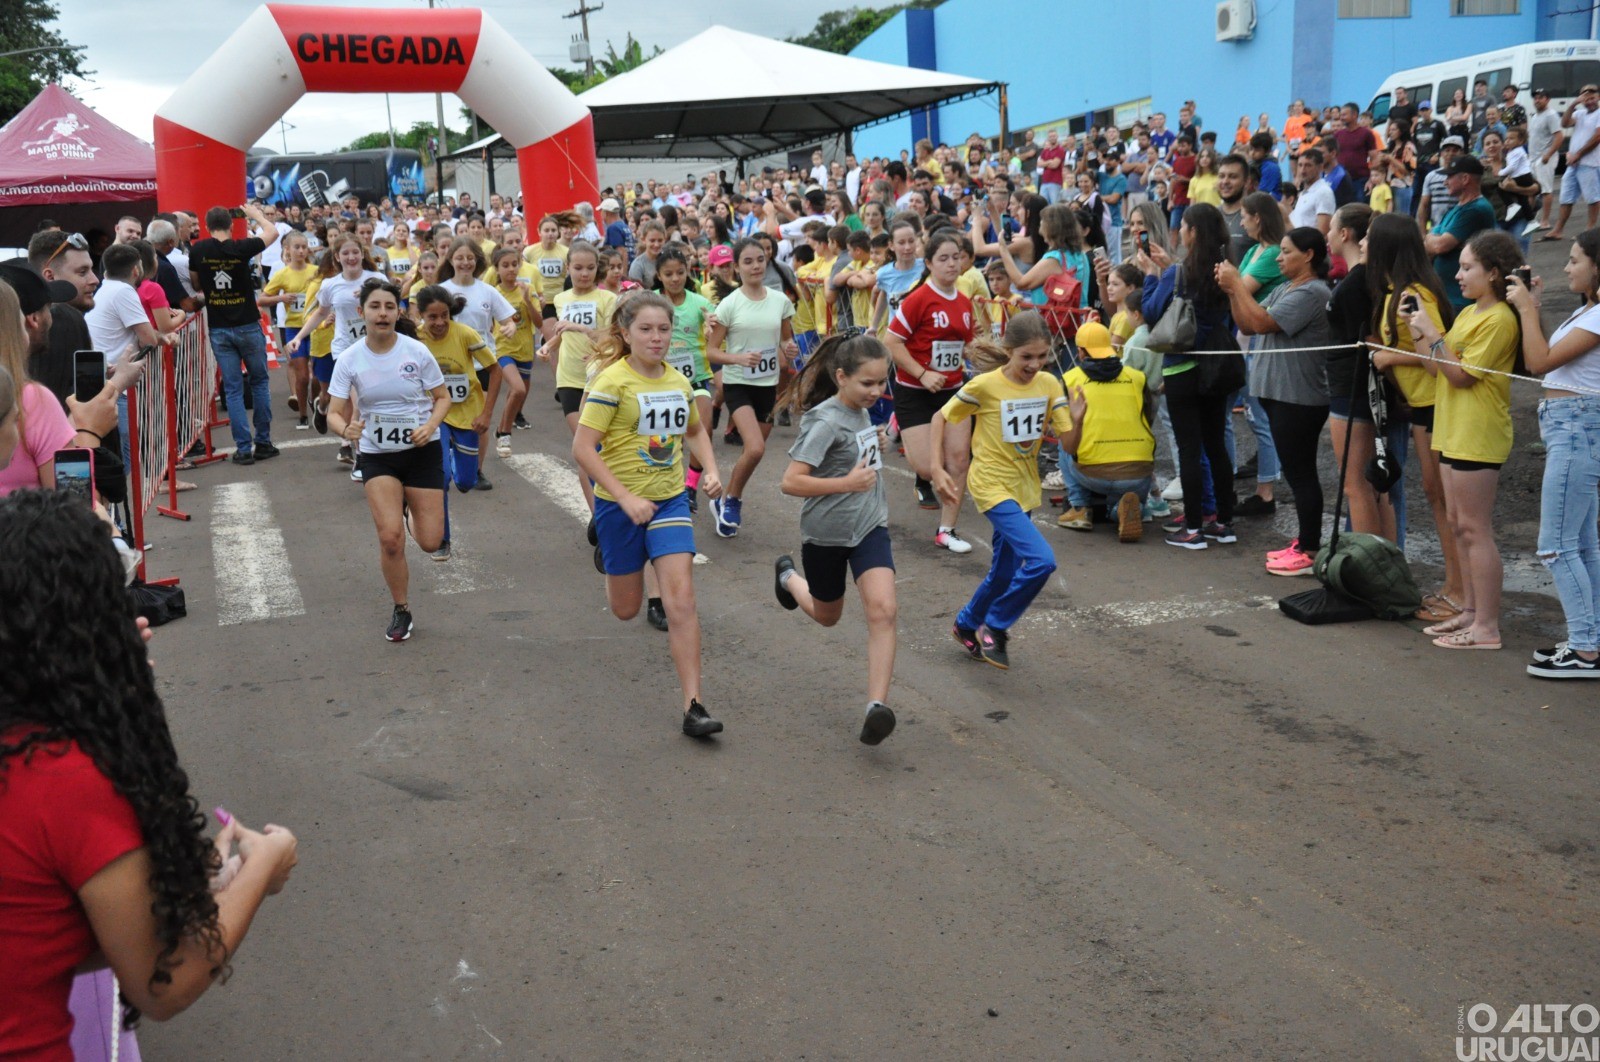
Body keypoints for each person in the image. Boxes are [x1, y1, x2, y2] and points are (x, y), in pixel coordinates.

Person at [0, 489, 299, 1059]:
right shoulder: (64, 778)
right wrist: (262, 865)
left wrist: (197, 887)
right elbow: (162, 985)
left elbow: (36, 940)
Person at [573, 292, 726, 738]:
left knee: (681, 601)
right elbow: (582, 448)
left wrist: (711, 469)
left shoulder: (678, 381)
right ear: (626, 332)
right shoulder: (610, 383)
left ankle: (694, 705)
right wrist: (622, 499)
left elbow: (694, 431)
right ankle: (612, 550)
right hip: (619, 506)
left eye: (663, 329)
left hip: (670, 500)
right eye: (646, 329)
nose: (656, 338)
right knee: (625, 609)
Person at [932, 311, 1077, 669]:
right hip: (991, 485)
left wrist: (1079, 416)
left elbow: (1070, 447)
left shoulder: (1049, 385)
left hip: (1024, 487)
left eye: (1042, 356)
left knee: (1005, 571)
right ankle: (994, 626)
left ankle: (967, 624)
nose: (1035, 364)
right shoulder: (985, 386)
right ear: (1009, 350)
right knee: (1042, 560)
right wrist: (936, 468)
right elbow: (942, 416)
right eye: (1026, 356)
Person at [774, 334, 899, 743]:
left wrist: (875, 442)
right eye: (868, 383)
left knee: (883, 610)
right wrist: (847, 481)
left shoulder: (863, 410)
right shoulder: (825, 421)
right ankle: (789, 579)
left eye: (882, 382)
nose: (877, 391)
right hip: (826, 534)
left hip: (868, 525)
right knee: (829, 616)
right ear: (841, 377)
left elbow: (860, 460)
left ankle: (875, 707)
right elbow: (791, 483)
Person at [1404, 230, 1523, 651]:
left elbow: (1461, 374)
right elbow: (1436, 370)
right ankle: (1471, 613)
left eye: (1468, 267)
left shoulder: (1500, 319)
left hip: (1478, 433)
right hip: (1454, 429)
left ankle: (1487, 626)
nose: (1458, 275)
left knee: (1475, 529)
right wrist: (1419, 330)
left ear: (1493, 273)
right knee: (1458, 525)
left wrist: (1433, 334)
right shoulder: (1471, 313)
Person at [325, 279, 450, 641]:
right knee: (391, 538)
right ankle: (401, 609)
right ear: (362, 312)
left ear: (399, 312)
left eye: (389, 307)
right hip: (377, 454)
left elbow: (442, 397)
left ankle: (410, 505)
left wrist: (430, 426)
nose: (382, 313)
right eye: (375, 307)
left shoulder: (416, 351)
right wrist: (344, 429)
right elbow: (333, 411)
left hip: (422, 451)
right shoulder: (349, 358)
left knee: (430, 542)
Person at [1506, 228, 1600, 678]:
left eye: (1575, 259)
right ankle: (1590, 641)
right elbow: (1542, 356)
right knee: (1581, 543)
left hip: (1577, 427)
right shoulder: (1589, 312)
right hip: (1571, 426)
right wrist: (1534, 309)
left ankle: (1585, 650)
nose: (1566, 267)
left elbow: (1539, 363)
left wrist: (1525, 307)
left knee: (1557, 547)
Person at [1367, 212, 1464, 623]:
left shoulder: (1414, 294)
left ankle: (1459, 592)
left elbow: (1436, 360)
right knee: (1437, 498)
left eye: (1372, 237)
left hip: (1435, 405)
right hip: (1422, 407)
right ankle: (1453, 586)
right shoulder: (1396, 290)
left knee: (1445, 501)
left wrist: (1389, 355)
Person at [1221, 226, 1334, 576]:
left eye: (1286, 252)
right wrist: (1232, 291)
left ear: (1309, 255)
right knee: (1297, 472)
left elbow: (1263, 321)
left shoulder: (1312, 292)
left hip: (1298, 397)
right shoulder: (1288, 286)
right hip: (1279, 394)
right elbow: (1247, 324)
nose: (1280, 258)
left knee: (1301, 475)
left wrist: (1238, 283)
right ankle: (1304, 542)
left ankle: (1309, 548)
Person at [1139, 203, 1237, 549]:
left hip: (1182, 367)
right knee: (1215, 446)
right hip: (1217, 367)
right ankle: (1223, 521)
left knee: (1189, 449)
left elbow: (1151, 313)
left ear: (1193, 232)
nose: (1180, 232)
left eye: (1183, 226)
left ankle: (1193, 528)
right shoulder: (1225, 269)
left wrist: (1151, 275)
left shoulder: (1178, 273)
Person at [884, 229, 977, 555]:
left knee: (959, 462)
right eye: (944, 259)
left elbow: (966, 347)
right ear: (929, 263)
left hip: (953, 392)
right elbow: (891, 343)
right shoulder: (918, 299)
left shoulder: (965, 303)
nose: (952, 264)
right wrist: (923, 373)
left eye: (957, 257)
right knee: (926, 468)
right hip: (915, 391)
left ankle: (946, 529)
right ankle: (898, 423)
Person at [705, 237, 798, 538]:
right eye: (748, 261)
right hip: (738, 383)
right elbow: (711, 350)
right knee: (756, 447)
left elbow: (785, 339)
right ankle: (733, 500)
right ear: (736, 267)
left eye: (760, 259)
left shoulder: (780, 300)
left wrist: (790, 347)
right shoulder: (730, 304)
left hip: (767, 386)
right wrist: (738, 358)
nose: (756, 265)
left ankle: (725, 500)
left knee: (754, 451)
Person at [190, 204, 279, 464]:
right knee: (259, 382)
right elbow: (272, 232)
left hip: (219, 326)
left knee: (233, 389)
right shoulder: (242, 247)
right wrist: (256, 216)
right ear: (230, 226)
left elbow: (196, 284)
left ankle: (243, 448)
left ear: (207, 226)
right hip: (248, 324)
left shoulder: (198, 250)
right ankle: (263, 442)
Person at [289, 236, 386, 470]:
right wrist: (299, 337)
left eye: (355, 252)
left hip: (375, 347)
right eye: (346, 254)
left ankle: (361, 446)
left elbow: (390, 309)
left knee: (371, 400)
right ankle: (362, 455)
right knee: (358, 400)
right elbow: (320, 313)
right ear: (337, 258)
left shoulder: (377, 280)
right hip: (346, 351)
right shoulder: (330, 285)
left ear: (363, 254)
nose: (351, 257)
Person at [1054, 321, 1156, 541]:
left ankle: (1080, 507)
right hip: (1139, 472)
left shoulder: (1070, 380)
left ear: (1080, 352)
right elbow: (1148, 418)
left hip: (1092, 472)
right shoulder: (1136, 378)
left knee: (1065, 437)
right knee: (1124, 496)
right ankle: (1122, 508)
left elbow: (1065, 430)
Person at [413, 285, 500, 535]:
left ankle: (454, 458)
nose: (440, 322)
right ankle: (443, 539)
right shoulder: (416, 339)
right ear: (421, 315)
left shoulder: (465, 335)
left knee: (466, 482)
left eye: (445, 315)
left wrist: (486, 414)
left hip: (468, 415)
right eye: (432, 317)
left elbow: (495, 370)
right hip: (433, 416)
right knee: (441, 480)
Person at [547, 241, 617, 516]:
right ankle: (598, 517)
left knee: (597, 449)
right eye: (578, 268)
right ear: (568, 268)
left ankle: (606, 509)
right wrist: (548, 346)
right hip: (569, 379)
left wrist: (579, 327)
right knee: (586, 447)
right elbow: (560, 333)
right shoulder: (561, 299)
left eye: (590, 268)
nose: (584, 274)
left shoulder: (607, 299)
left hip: (600, 379)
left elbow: (612, 338)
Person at [259, 232, 316, 429]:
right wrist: (281, 298)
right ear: (288, 250)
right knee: (301, 373)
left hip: (317, 328)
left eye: (304, 247)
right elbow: (261, 298)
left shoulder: (317, 271)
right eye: (297, 247)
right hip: (293, 327)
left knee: (316, 375)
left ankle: (315, 403)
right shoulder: (282, 274)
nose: (301, 251)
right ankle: (303, 414)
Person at [1425, 154, 1496, 309]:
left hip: (1463, 301)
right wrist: (1435, 240)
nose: (1445, 182)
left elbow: (1439, 246)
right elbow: (1430, 240)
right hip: (1450, 296)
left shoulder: (1475, 209)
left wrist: (1436, 241)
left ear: (1465, 178)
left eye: (1449, 177)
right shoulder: (1457, 208)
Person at [489, 249, 538, 457]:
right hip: (502, 348)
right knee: (517, 389)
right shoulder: (492, 292)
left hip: (525, 349)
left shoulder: (528, 288)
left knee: (518, 393)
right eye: (505, 265)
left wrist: (527, 300)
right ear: (497, 269)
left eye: (514, 264)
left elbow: (539, 322)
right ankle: (506, 434)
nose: (511, 269)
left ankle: (500, 429)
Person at [1549, 84, 1600, 241]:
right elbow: (1564, 124)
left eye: (1592, 97)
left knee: (1592, 198)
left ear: (1598, 97)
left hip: (1590, 163)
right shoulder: (1580, 113)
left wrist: (1578, 154)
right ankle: (1558, 230)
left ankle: (1590, 230)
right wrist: (1572, 104)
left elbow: (1598, 137)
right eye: (1586, 98)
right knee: (1566, 197)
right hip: (1573, 163)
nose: (1589, 101)